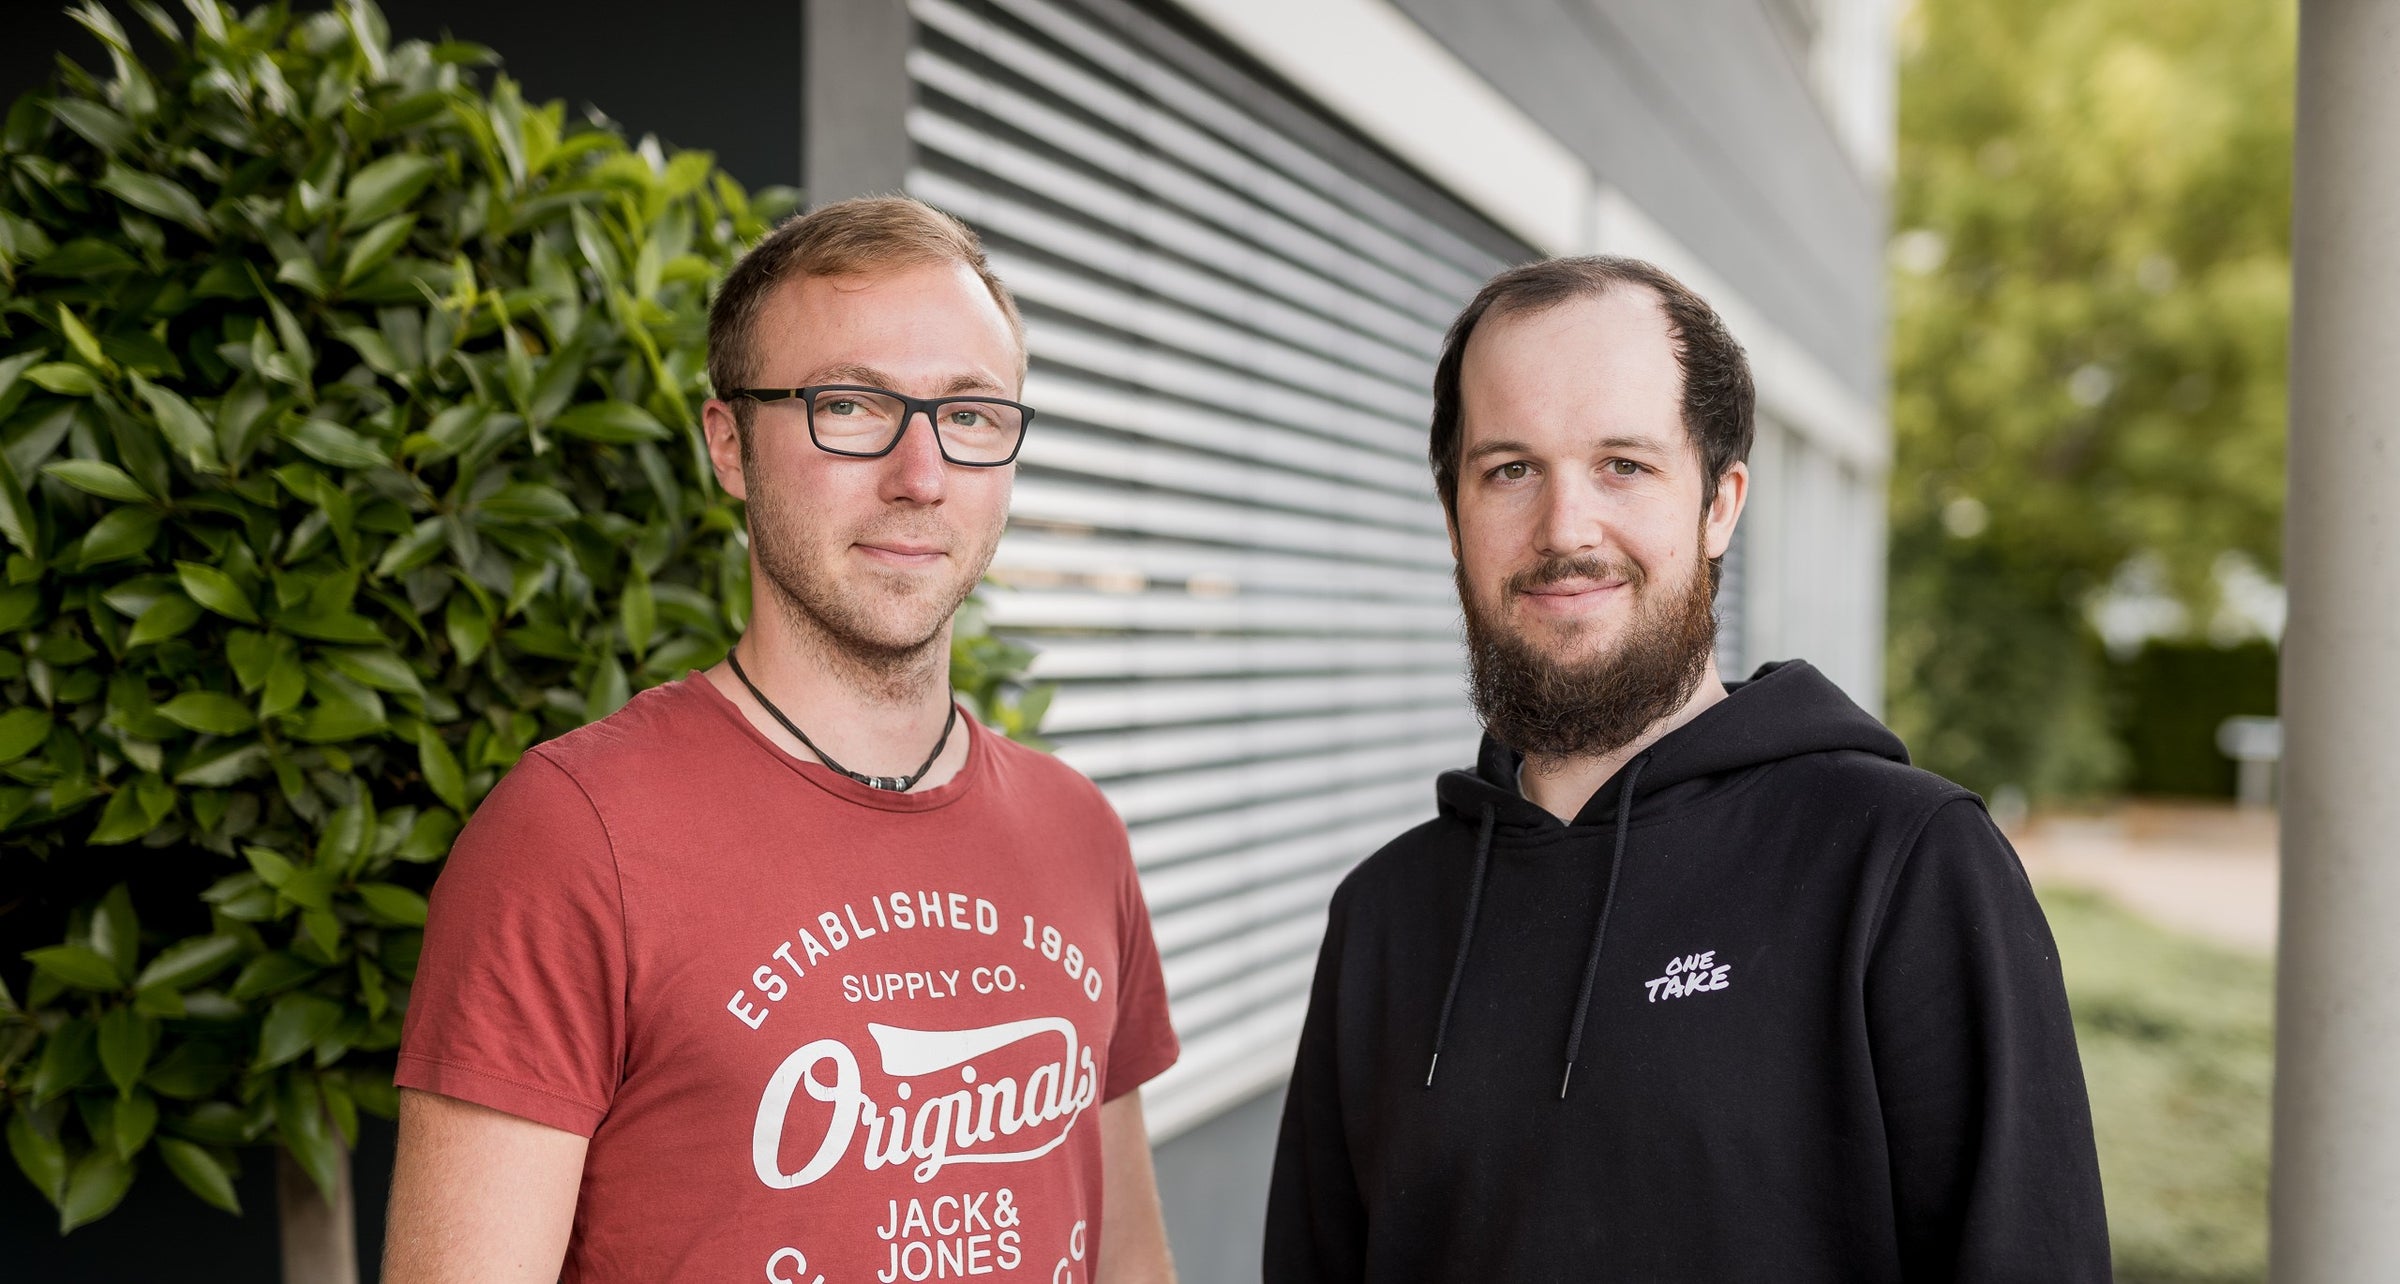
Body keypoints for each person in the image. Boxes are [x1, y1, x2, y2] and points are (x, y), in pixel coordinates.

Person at [1263, 257, 2108, 1282]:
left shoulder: (1904, 868)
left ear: (1719, 504)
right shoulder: (1385, 918)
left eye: (1624, 463)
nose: (1566, 528)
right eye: (1510, 470)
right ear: (1454, 520)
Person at [386, 197, 1181, 1284]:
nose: (921, 473)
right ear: (729, 446)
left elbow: (1128, 1259)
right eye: (850, 406)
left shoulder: (1077, 831)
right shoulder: (574, 835)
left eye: (972, 415)